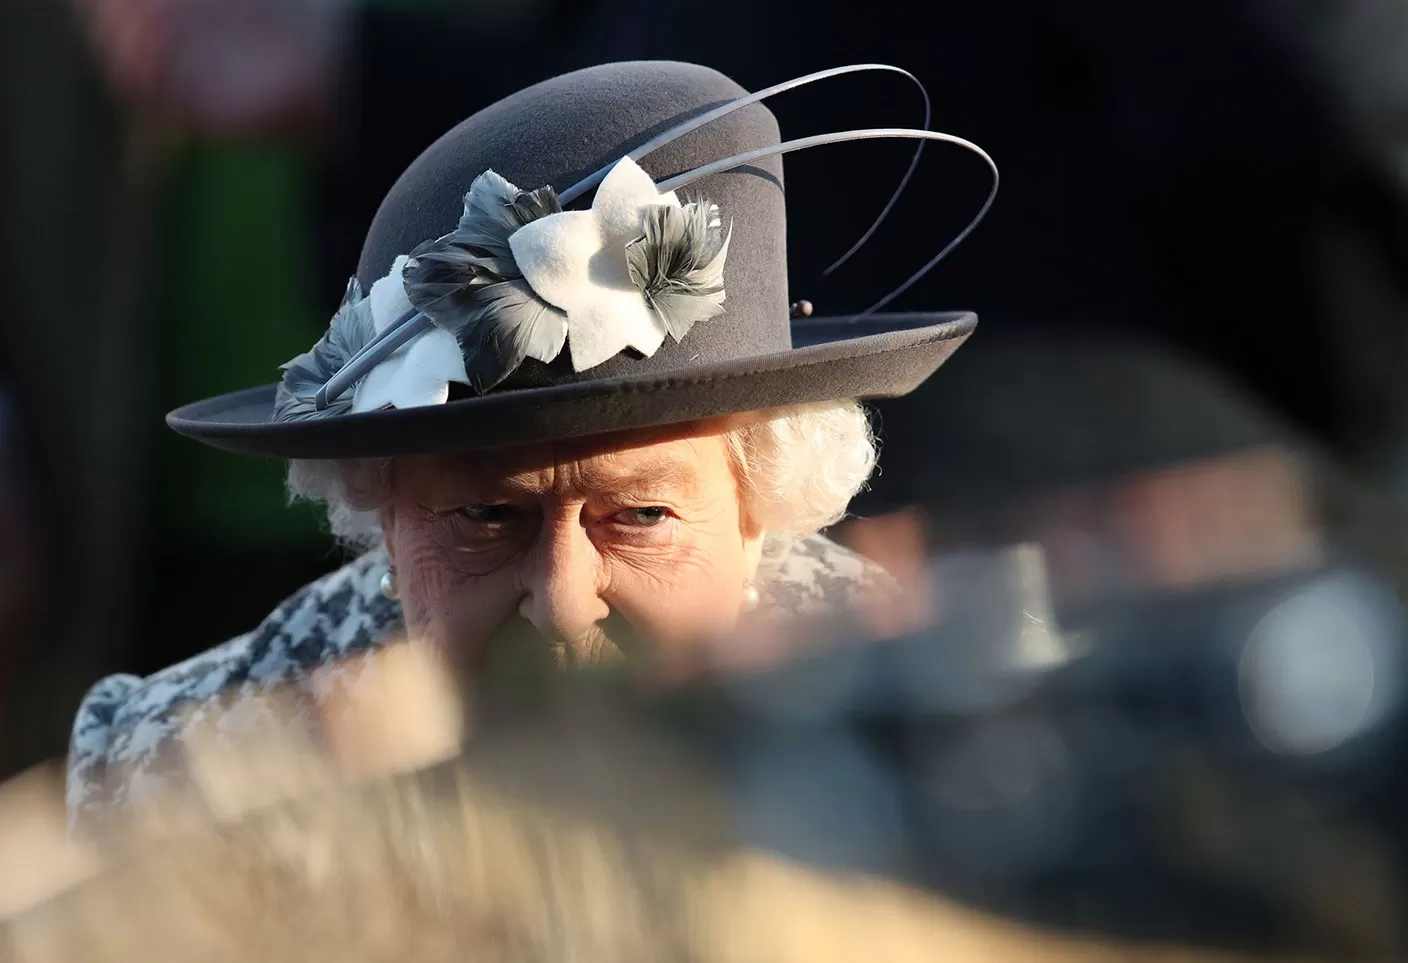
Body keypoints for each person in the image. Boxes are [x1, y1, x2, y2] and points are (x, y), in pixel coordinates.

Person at [64, 60, 988, 828]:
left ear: (762, 510)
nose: (561, 601)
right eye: (485, 515)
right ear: (384, 516)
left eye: (638, 515)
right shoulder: (179, 789)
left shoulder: (960, 754)